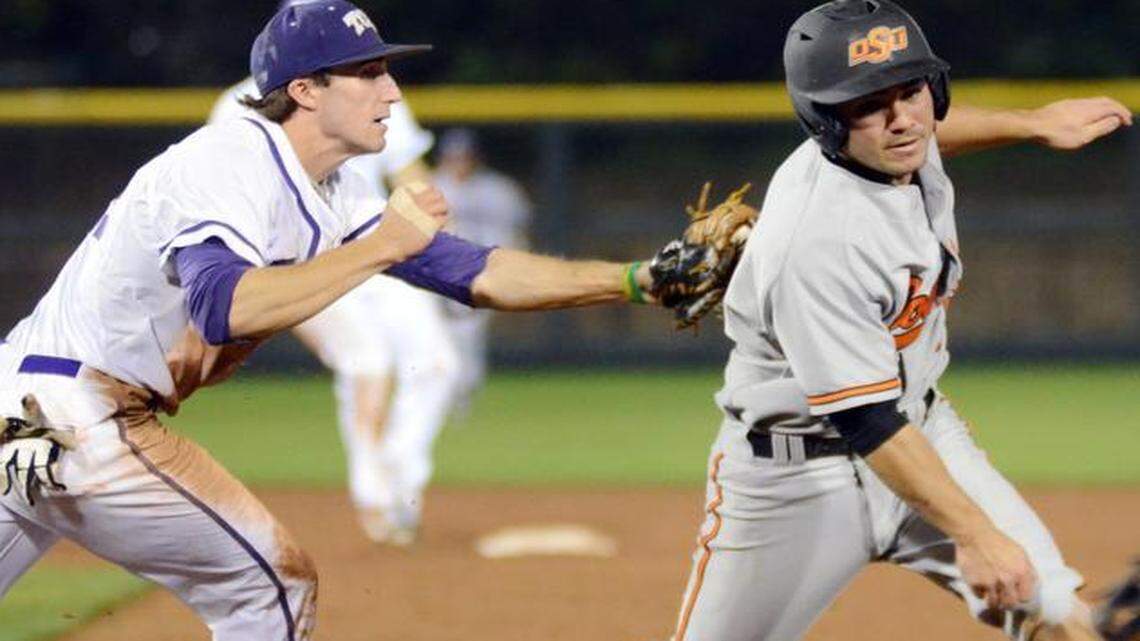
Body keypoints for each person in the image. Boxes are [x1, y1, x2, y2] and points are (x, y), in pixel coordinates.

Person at [0, 2, 661, 639]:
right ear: (306, 90)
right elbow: (225, 306)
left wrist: (633, 280)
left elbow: (477, 272)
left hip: (21, 411)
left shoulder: (334, 192)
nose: (392, 92)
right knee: (272, 591)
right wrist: (380, 248)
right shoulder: (230, 159)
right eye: (368, 72)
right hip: (82, 413)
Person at [668, 2, 1132, 641]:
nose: (901, 119)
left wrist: (1032, 124)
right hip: (794, 481)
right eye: (867, 104)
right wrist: (976, 536)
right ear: (825, 121)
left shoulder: (898, 148)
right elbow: (865, 418)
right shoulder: (817, 242)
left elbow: (932, 132)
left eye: (912, 90)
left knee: (1058, 614)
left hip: (921, 434)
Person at [211, 0, 460, 547]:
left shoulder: (375, 86)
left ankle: (400, 478)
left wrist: (439, 246)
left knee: (440, 363)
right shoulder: (234, 107)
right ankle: (373, 494)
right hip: (305, 262)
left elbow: (409, 172)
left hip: (381, 250)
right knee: (366, 362)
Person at [433, 128, 532, 411]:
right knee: (438, 336)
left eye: (464, 157)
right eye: (453, 157)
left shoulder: (499, 190)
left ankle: (460, 395)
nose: (459, 163)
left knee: (466, 335)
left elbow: (518, 233)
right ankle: (448, 394)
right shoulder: (427, 185)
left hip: (482, 271)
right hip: (434, 273)